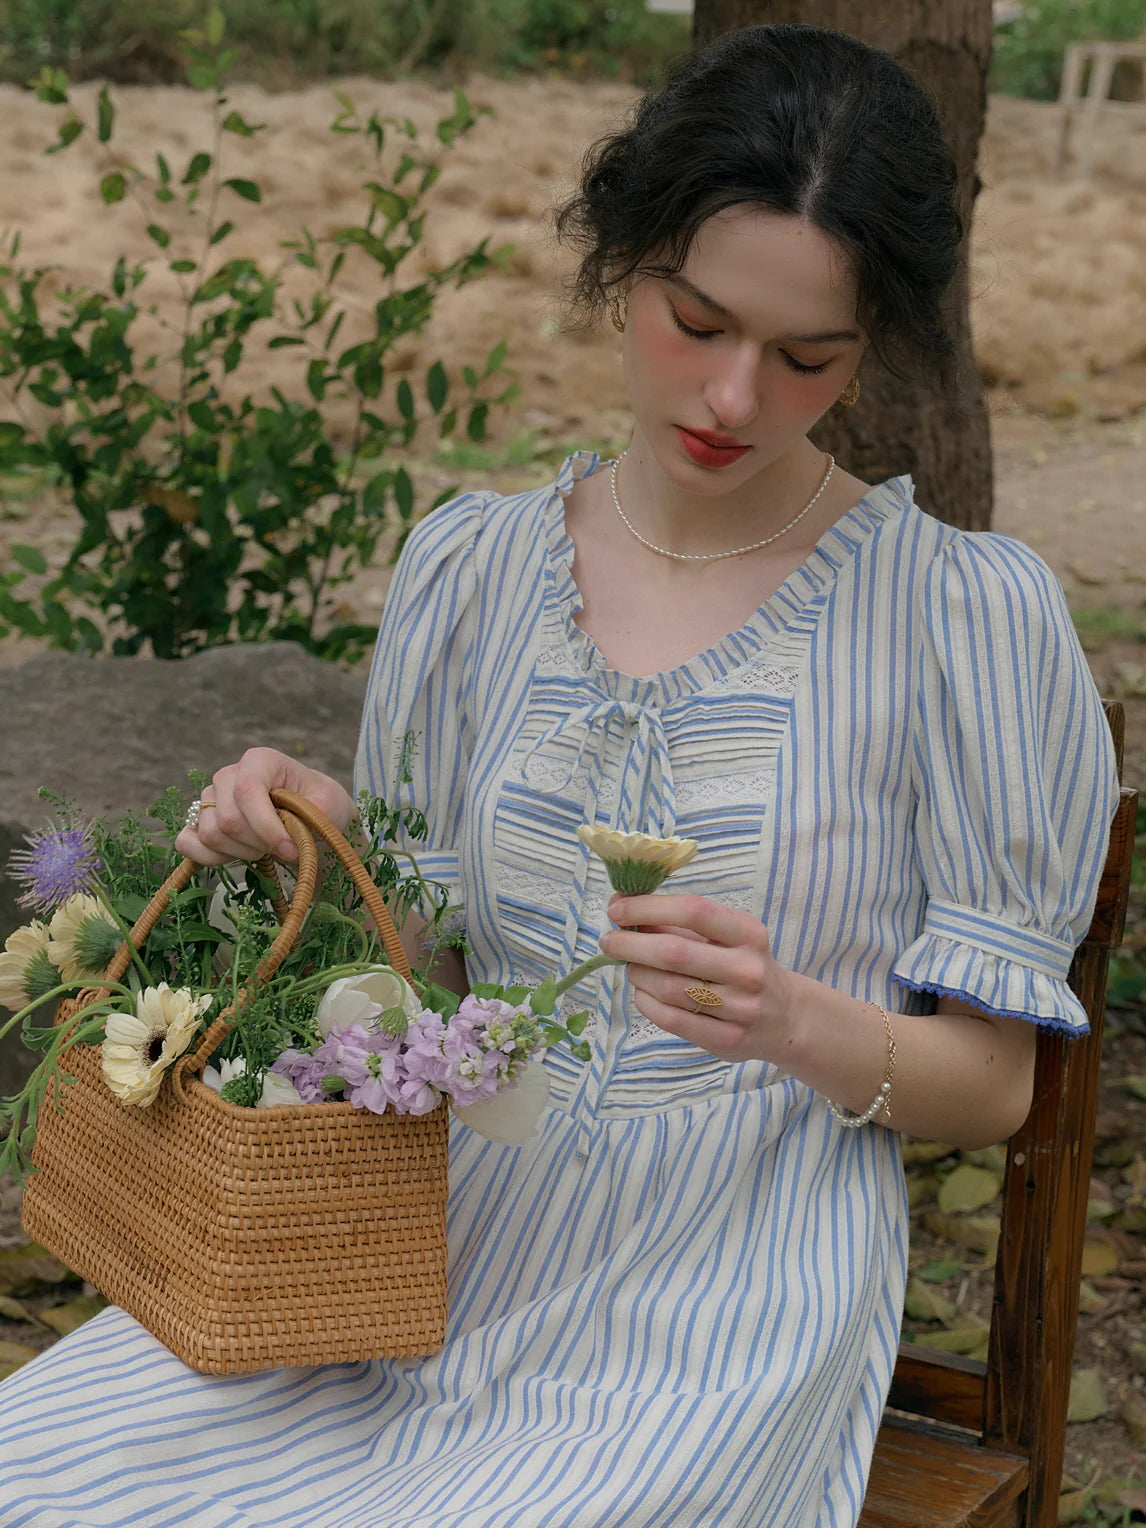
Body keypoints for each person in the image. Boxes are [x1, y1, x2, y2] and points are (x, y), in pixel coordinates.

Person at [0, 23, 1119, 1528]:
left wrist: (787, 1019)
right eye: (696, 321)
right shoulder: (471, 571)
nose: (734, 397)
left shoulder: (957, 614)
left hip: (721, 1300)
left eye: (807, 358)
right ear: (619, 261)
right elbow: (427, 988)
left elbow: (994, 1085)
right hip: (410, 1251)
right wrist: (327, 840)